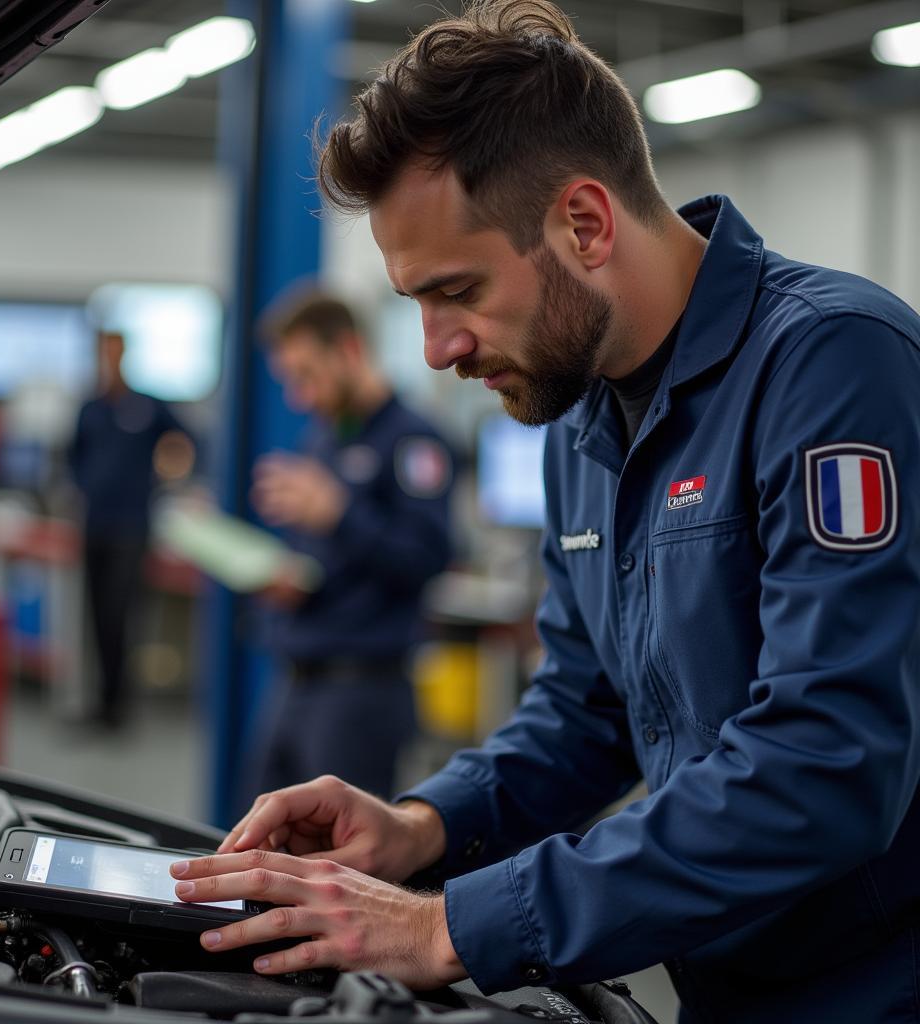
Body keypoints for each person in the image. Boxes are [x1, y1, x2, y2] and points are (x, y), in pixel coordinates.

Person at [166, 3, 920, 1020]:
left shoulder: (834, 365)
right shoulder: (579, 418)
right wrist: (421, 827)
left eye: (458, 291)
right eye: (415, 306)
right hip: (725, 979)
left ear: (584, 222)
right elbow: (584, 711)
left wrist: (449, 924)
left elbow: (824, 764)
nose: (436, 349)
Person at [245, 289, 454, 801]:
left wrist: (339, 514)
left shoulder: (413, 441)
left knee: (338, 865)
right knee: (254, 848)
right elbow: (327, 560)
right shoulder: (323, 438)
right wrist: (287, 579)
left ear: (349, 350)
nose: (299, 396)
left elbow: (429, 557)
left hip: (362, 690)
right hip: (296, 679)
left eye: (306, 375)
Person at [68, 329, 193, 729]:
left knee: (123, 614)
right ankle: (101, 703)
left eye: (115, 351)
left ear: (124, 354)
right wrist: (86, 486)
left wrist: (170, 469)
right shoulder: (91, 407)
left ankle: (121, 707)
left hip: (131, 526)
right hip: (95, 525)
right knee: (97, 615)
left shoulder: (146, 405)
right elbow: (73, 455)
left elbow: (187, 438)